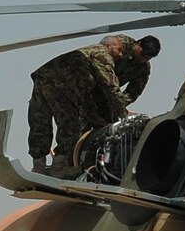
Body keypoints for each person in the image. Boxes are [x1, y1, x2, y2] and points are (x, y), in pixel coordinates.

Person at [26, 35, 160, 175]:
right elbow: (109, 85)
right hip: (70, 86)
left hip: (81, 89)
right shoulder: (107, 51)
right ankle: (55, 166)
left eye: (148, 58)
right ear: (137, 44)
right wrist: (122, 112)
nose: (143, 59)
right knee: (63, 124)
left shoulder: (142, 67)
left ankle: (54, 166)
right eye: (143, 54)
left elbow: (133, 91)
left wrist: (117, 106)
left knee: (47, 121)